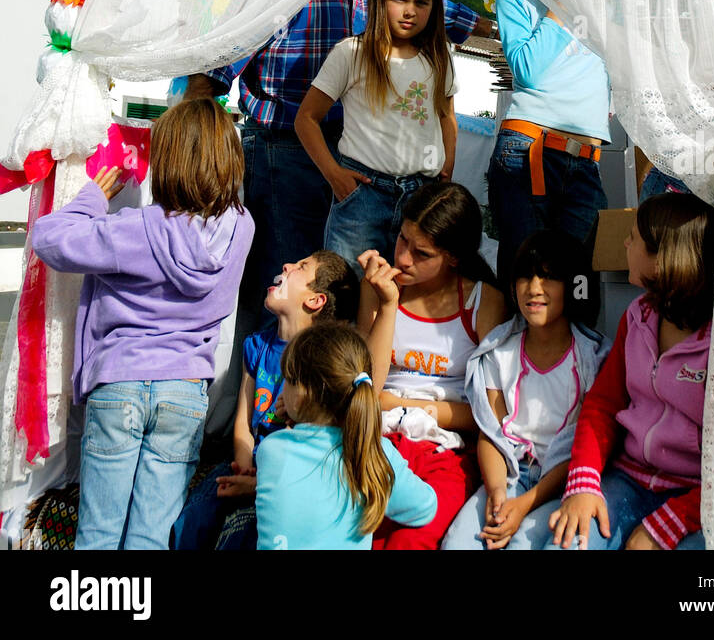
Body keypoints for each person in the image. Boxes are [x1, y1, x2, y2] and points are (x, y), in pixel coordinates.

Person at [187, 0, 487, 316]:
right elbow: (220, 62)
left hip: (365, 165)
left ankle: (360, 369)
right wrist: (191, 150)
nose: (409, 9)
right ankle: (278, 369)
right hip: (284, 149)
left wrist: (491, 25)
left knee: (363, 291)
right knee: (289, 284)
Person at [31, 98, 254, 551]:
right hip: (185, 390)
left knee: (97, 534)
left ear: (166, 162)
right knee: (153, 538)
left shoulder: (135, 229)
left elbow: (48, 238)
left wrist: (93, 198)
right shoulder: (241, 229)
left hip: (119, 383)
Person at [546, 192, 714, 552]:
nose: (625, 242)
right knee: (567, 543)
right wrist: (583, 483)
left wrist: (664, 526)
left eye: (635, 237)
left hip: (700, 499)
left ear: (664, 259)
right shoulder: (637, 315)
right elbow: (603, 403)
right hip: (628, 480)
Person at [172, 249, 358, 550]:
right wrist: (244, 467)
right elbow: (243, 422)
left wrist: (258, 484)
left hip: (289, 474)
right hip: (247, 464)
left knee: (241, 535)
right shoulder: (257, 345)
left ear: (315, 300)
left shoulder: (323, 358)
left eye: (301, 266)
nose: (286, 264)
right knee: (192, 521)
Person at [359, 181, 508, 550]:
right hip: (375, 441)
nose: (404, 258)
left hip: (448, 452)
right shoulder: (378, 287)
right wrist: (389, 305)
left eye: (422, 253)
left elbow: (492, 414)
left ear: (454, 257)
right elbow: (366, 387)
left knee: (413, 540)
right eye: (402, 240)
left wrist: (411, 408)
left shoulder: (482, 300)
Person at [442, 230, 608, 550]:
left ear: (575, 285)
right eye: (524, 277)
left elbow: (585, 448)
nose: (533, 289)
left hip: (562, 485)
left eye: (549, 278)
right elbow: (492, 433)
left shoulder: (593, 358)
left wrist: (525, 504)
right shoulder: (498, 352)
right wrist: (497, 494)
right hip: (507, 479)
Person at [295, 0, 460, 267]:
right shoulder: (352, 53)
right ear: (380, 0)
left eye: (421, 2)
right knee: (345, 290)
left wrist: (446, 169)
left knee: (403, 293)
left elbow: (446, 116)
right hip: (362, 195)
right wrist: (335, 176)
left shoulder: (440, 57)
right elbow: (306, 118)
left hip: (421, 195)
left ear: (434, 9)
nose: (410, 10)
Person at [255, 322, 437, 550]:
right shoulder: (374, 452)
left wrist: (287, 424)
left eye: (288, 381)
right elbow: (424, 509)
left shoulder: (271, 449)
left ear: (302, 394)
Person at [487, 0, 611, 295]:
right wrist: (561, 4)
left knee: (578, 286)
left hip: (586, 160)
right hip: (530, 149)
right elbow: (526, 69)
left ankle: (574, 347)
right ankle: (514, 345)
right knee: (527, 278)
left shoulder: (602, 2)